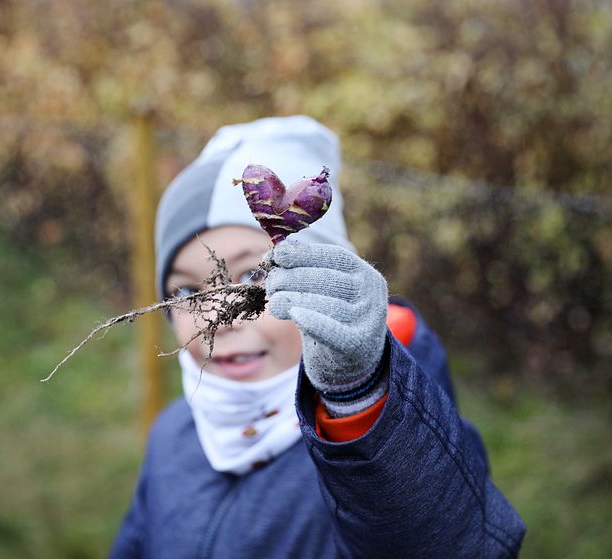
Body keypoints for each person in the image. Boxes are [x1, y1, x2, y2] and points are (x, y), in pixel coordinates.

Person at [110, 116, 525, 558]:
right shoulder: (173, 436)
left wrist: (356, 399)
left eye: (254, 275)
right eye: (190, 291)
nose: (220, 316)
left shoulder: (386, 450)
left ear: (328, 282)